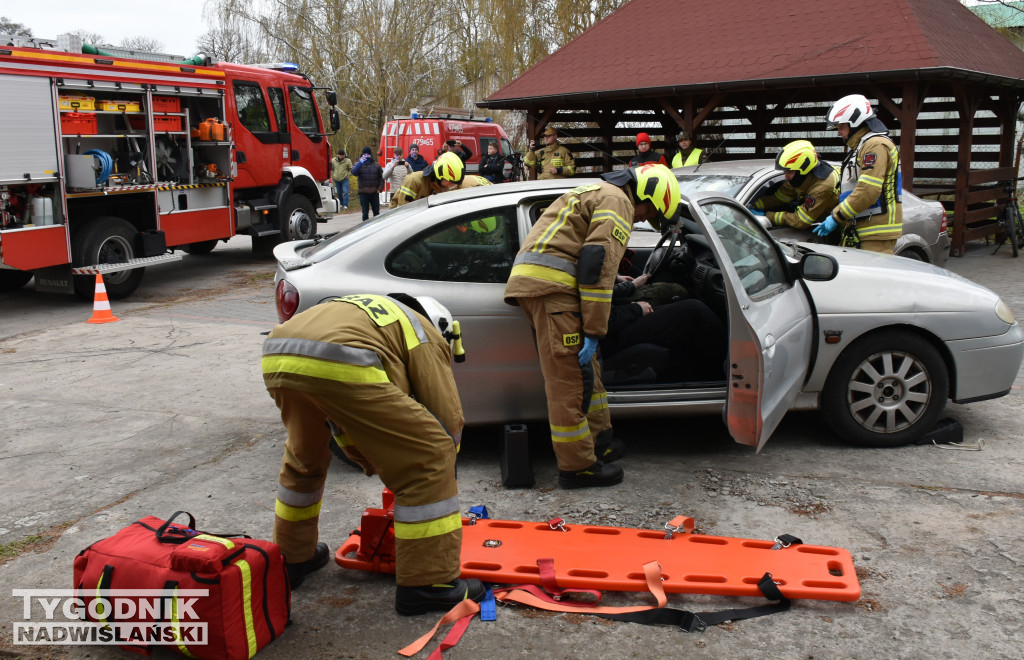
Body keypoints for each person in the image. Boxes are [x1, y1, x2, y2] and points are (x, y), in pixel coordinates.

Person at [261, 293, 485, 614]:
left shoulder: (373, 312)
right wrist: (442, 469)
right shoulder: (426, 333)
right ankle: (429, 584)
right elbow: (447, 416)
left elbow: (348, 421)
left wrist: (373, 457)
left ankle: (292, 559)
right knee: (431, 455)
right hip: (340, 358)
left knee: (304, 459)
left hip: (278, 353)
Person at [503, 163, 681, 488]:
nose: (643, 219)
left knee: (589, 373)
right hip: (552, 293)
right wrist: (596, 329)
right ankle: (578, 467)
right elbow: (595, 265)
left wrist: (616, 282)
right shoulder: (619, 202)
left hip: (550, 287)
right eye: (649, 212)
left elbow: (585, 259)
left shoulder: (601, 191)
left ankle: (600, 440)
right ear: (647, 194)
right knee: (569, 383)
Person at [815, 94, 902, 254]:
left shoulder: (875, 145)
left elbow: (868, 190)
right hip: (867, 228)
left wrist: (836, 216)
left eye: (841, 127)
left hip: (876, 232)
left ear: (854, 123)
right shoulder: (864, 146)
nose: (838, 133)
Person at [601, 273, 727, 382]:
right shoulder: (592, 256)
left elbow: (602, 299)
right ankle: (721, 372)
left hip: (612, 325)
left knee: (682, 314)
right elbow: (599, 318)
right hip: (607, 338)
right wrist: (636, 309)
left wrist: (625, 297)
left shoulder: (587, 259)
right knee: (695, 311)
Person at [749, 140, 839, 231]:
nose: (786, 177)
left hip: (835, 231)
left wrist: (767, 216)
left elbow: (801, 221)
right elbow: (779, 197)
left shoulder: (822, 188)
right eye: (785, 171)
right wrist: (752, 206)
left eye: (789, 172)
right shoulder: (800, 177)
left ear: (804, 169)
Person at [390, 152, 490, 208]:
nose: (452, 186)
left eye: (454, 184)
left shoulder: (448, 186)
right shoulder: (414, 181)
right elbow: (402, 213)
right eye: (449, 182)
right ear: (438, 175)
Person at [350, 146, 384, 221]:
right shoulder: (358, 164)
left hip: (374, 192)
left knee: (376, 213)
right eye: (364, 155)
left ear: (371, 155)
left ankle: (377, 227)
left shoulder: (376, 165)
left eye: (368, 154)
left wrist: (380, 188)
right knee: (365, 213)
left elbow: (381, 178)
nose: (366, 156)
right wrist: (360, 163)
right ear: (362, 155)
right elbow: (354, 172)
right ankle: (365, 228)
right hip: (363, 192)